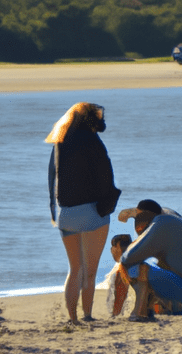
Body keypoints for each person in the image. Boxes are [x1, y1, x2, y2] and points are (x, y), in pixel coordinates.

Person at [46, 102, 121, 324]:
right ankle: (87, 315)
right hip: (91, 213)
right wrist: (108, 202)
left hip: (66, 214)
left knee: (75, 269)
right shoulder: (93, 141)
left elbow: (52, 178)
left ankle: (72, 318)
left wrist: (54, 209)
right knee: (90, 271)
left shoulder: (60, 140)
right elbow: (105, 175)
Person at [118, 208, 182, 320]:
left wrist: (122, 252)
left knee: (138, 268)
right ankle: (150, 308)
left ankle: (140, 312)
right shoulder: (177, 226)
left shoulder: (161, 224)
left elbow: (128, 257)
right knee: (155, 266)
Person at [107, 234, 133, 317]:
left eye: (112, 247)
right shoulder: (135, 260)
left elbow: (120, 296)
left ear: (117, 247)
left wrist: (115, 314)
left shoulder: (122, 268)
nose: (111, 250)